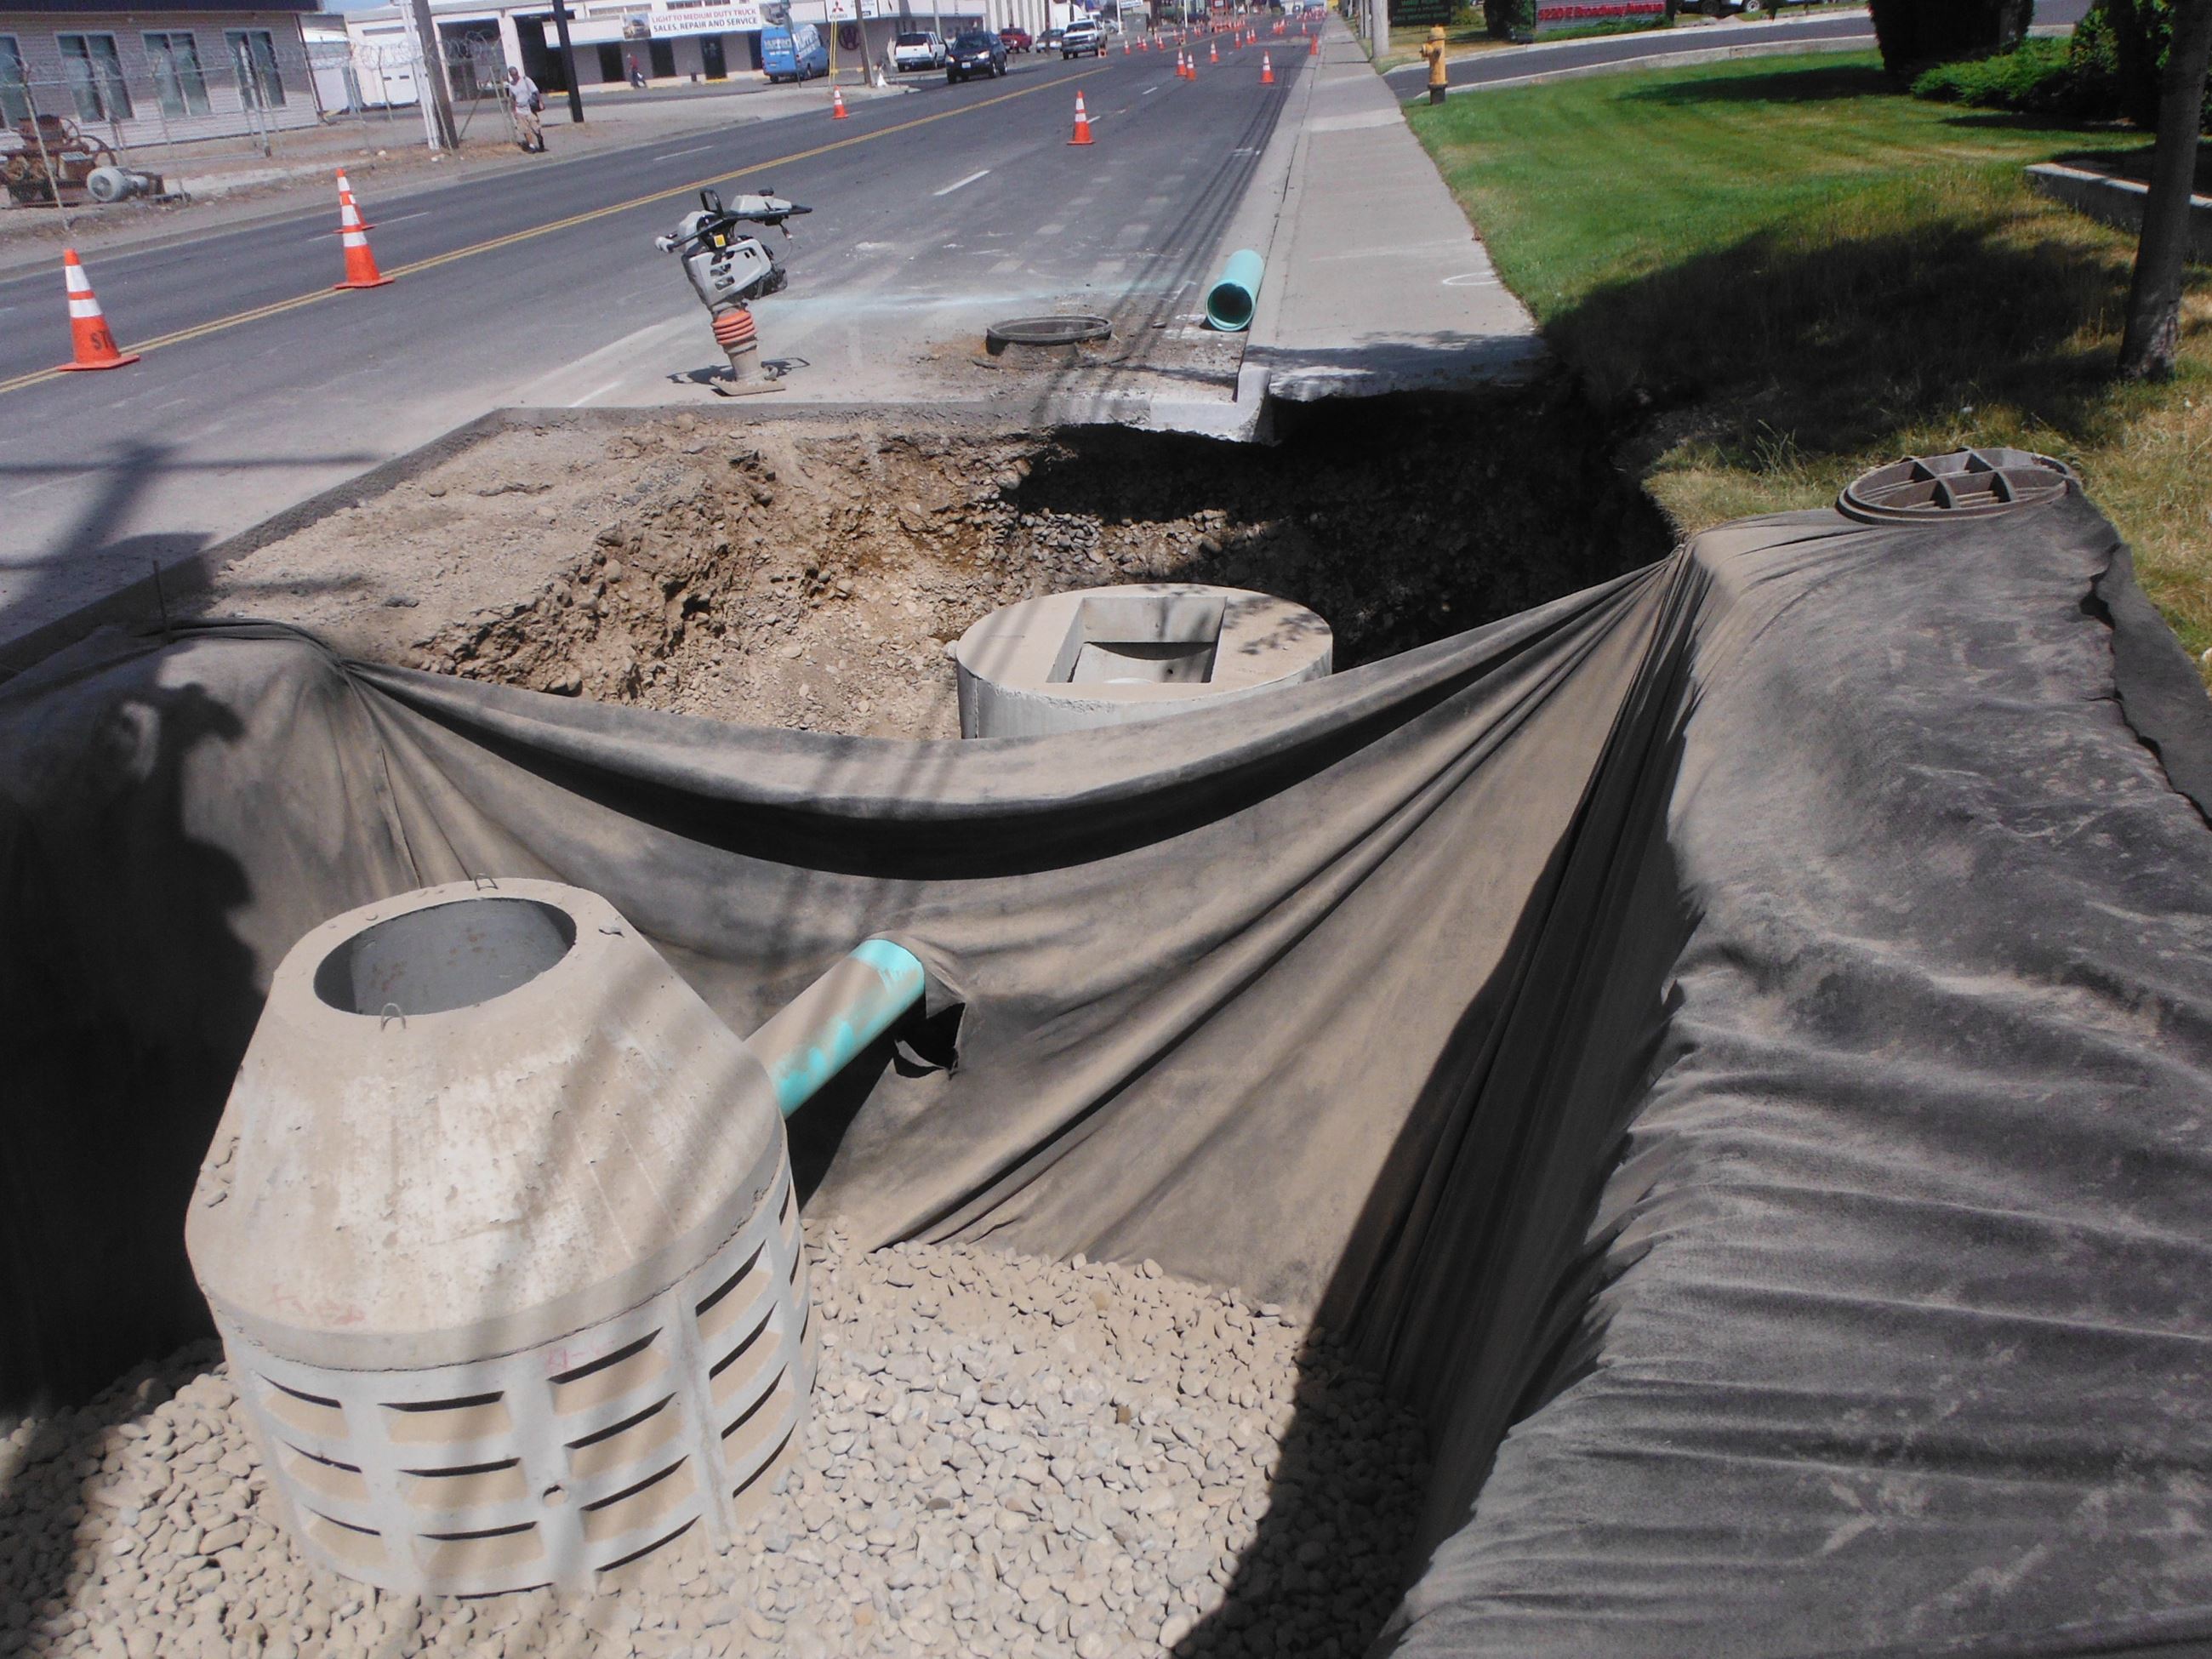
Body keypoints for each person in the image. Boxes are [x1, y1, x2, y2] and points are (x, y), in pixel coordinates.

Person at [505, 66, 545, 152]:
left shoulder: (526, 80)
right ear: (511, 75)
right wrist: (514, 111)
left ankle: (539, 138)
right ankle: (532, 146)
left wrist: (540, 102)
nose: (515, 76)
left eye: (516, 74)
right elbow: (513, 99)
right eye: (513, 75)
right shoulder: (511, 86)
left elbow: (536, 91)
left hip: (529, 107)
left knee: (535, 127)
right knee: (525, 129)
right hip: (520, 109)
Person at [1421, 24, 1447, 104]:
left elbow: (1437, 50)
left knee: (1437, 74)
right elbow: (1436, 51)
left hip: (1438, 80)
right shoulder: (1434, 49)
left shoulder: (1435, 49)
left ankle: (1437, 98)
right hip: (1438, 78)